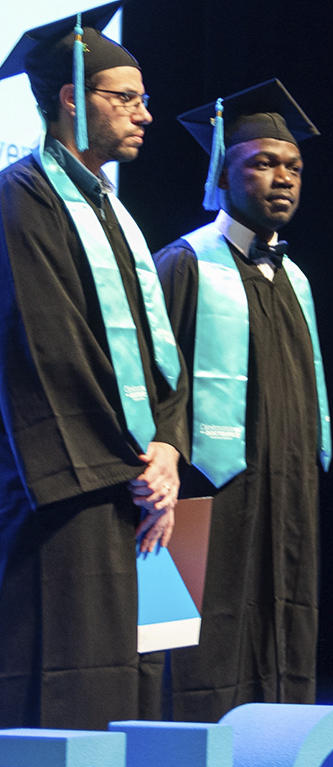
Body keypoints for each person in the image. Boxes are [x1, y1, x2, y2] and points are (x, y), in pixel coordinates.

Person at [0, 6, 188, 730]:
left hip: (135, 490)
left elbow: (154, 350)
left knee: (132, 693)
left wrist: (167, 449)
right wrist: (134, 465)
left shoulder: (114, 213)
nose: (146, 113)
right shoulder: (21, 200)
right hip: (68, 498)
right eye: (129, 98)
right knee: (64, 694)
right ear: (76, 99)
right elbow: (48, 352)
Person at [154, 80, 328, 720]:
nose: (283, 178)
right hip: (204, 505)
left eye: (293, 167)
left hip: (284, 505)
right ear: (221, 173)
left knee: (280, 647)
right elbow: (155, 384)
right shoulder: (185, 264)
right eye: (262, 163)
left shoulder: (295, 280)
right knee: (192, 651)